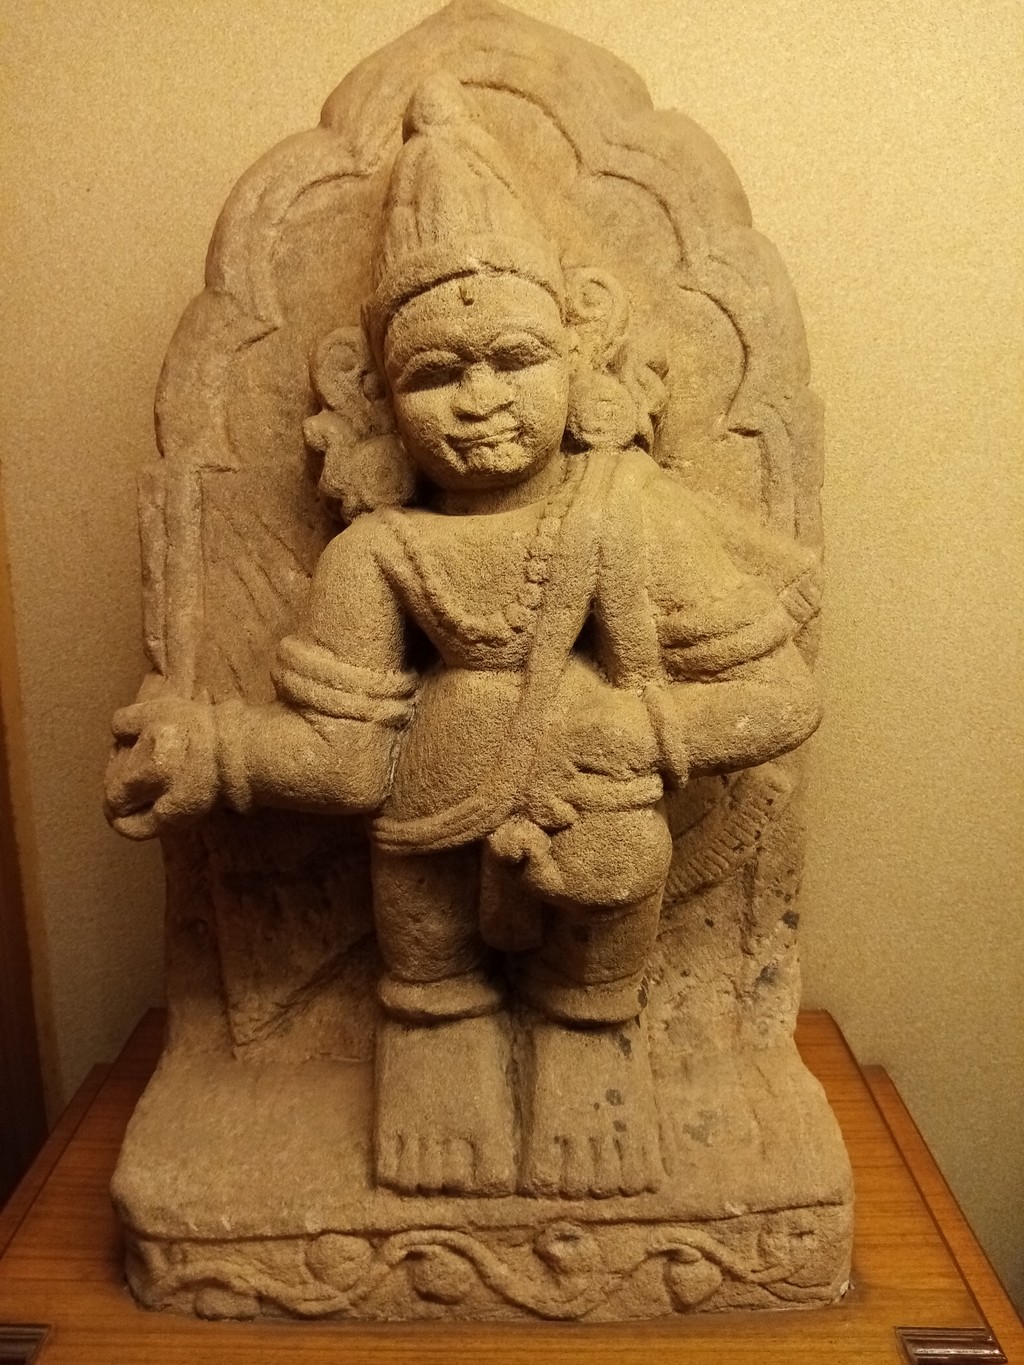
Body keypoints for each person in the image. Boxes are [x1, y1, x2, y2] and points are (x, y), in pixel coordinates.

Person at [105, 73, 821, 1200]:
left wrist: (647, 733)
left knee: (613, 886)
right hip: (423, 839)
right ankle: (438, 1040)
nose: (480, 399)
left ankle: (591, 1043)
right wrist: (213, 751)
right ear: (380, 404)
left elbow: (781, 697)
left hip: (600, 832)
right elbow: (348, 761)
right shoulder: (378, 553)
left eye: (515, 360)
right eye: (435, 374)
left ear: (578, 359)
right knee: (426, 945)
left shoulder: (628, 515)